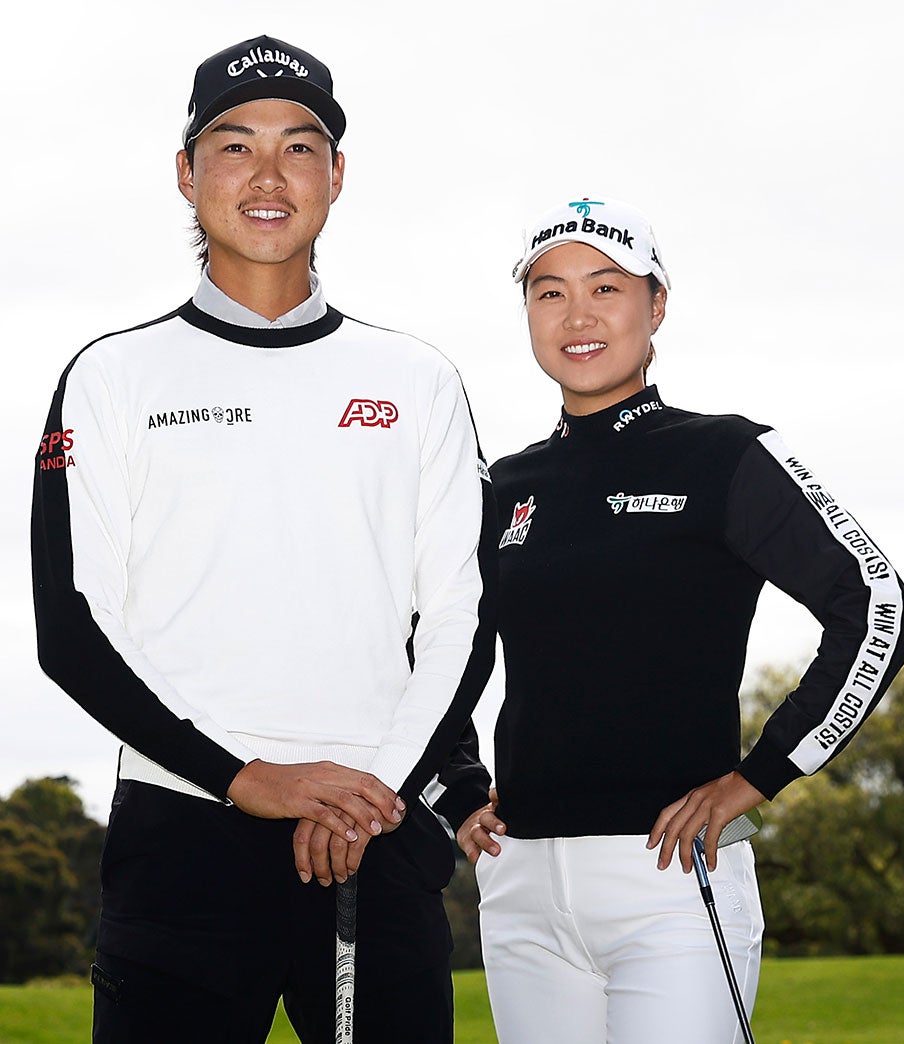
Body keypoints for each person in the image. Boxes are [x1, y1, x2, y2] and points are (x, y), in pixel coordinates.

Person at [30, 35, 497, 1041]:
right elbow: (71, 628)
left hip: (375, 838)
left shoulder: (416, 380)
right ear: (187, 172)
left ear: (336, 174)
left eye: (300, 145)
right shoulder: (111, 378)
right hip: (183, 842)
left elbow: (461, 614)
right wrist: (251, 781)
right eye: (235, 146)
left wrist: (371, 795)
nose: (269, 174)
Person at [454, 198, 904, 1042]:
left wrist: (760, 776)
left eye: (607, 286)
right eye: (549, 292)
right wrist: (453, 787)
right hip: (518, 882)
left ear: (656, 304)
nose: (579, 315)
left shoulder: (724, 454)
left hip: (671, 877)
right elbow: (440, 651)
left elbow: (881, 610)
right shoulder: (504, 484)